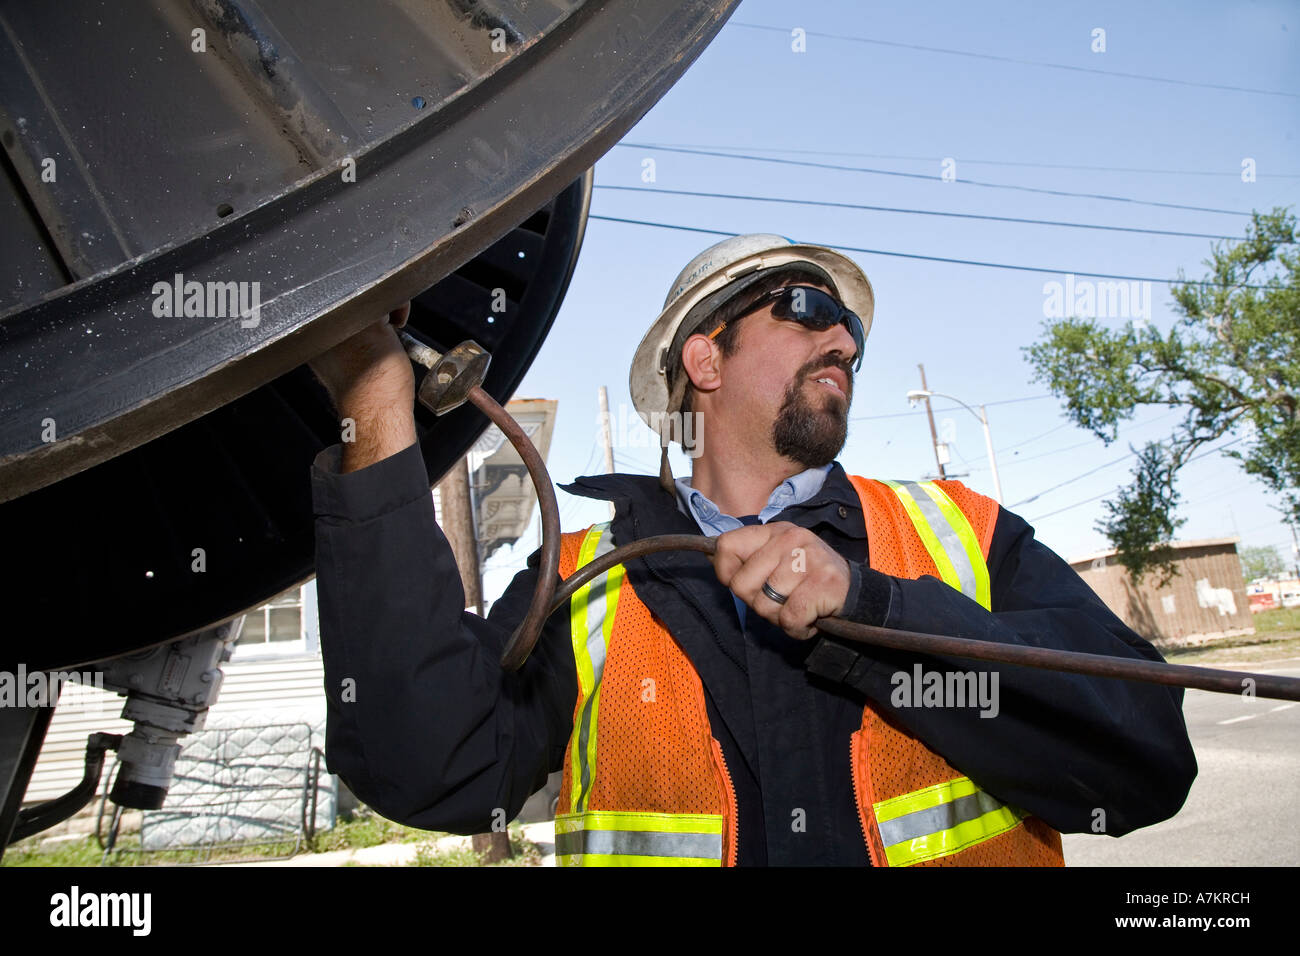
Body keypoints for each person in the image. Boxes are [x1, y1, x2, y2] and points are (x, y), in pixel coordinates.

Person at [307, 233, 1197, 867]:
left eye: (852, 327)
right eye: (808, 309)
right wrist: (377, 405)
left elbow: (1146, 763)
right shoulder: (583, 575)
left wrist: (876, 610)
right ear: (705, 358)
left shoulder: (957, 531)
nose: (844, 337)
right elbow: (427, 769)